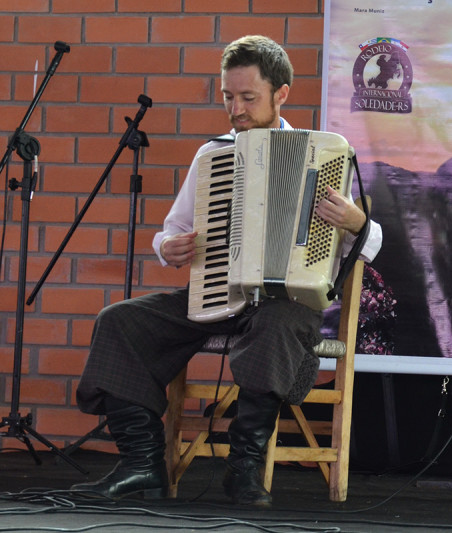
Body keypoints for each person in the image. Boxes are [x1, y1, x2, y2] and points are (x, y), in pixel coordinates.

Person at [71, 35, 383, 507]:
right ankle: (142, 466)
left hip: (286, 303)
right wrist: (168, 247)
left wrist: (357, 222)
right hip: (216, 295)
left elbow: (376, 245)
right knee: (119, 321)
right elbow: (171, 230)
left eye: (247, 97)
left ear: (281, 94)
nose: (235, 109)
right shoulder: (213, 155)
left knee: (276, 323)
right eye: (227, 96)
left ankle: (244, 469)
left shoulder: (325, 157)